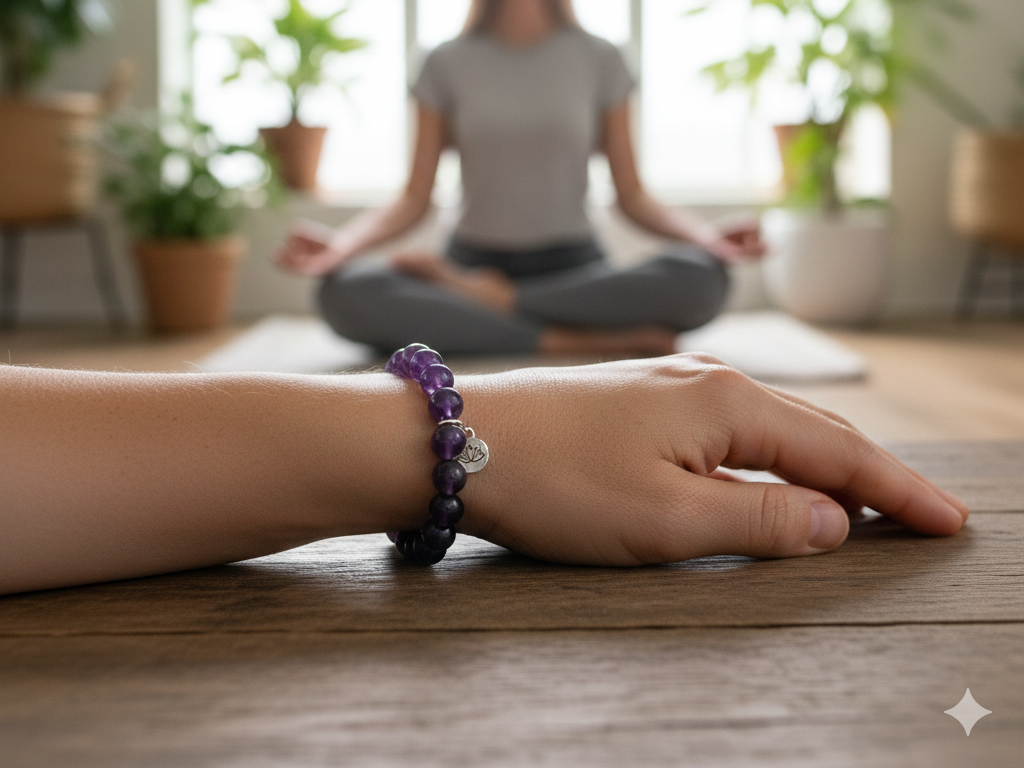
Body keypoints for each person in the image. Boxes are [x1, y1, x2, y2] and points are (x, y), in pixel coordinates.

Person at [0, 355, 968, 596]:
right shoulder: (451, 63)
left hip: (571, 258)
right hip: (462, 258)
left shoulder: (591, 58)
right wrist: (458, 433)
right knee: (371, 279)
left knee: (677, 271)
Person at [276, 0, 765, 356]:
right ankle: (568, 338)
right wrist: (341, 246)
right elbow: (413, 199)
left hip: (574, 270)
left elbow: (632, 195)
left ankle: (502, 305)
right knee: (342, 292)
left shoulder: (602, 59)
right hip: (469, 262)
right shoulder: (443, 63)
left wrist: (707, 238)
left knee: (704, 278)